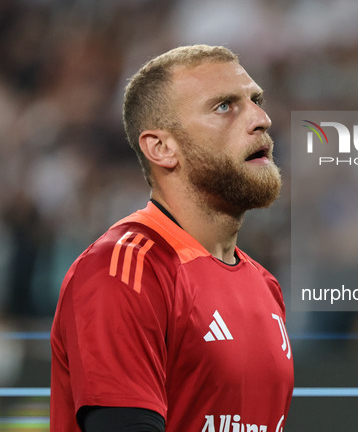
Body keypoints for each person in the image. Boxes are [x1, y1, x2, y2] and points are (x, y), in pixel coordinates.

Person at [50, 45, 293, 432]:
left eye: (256, 100)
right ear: (161, 148)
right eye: (224, 107)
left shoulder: (265, 286)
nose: (262, 119)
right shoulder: (124, 270)